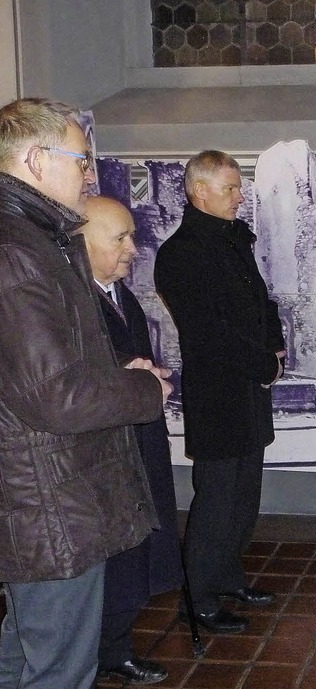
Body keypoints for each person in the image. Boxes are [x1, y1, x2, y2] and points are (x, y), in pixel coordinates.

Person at [0, 97, 172, 689]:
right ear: (36, 158)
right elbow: (57, 398)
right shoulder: (18, 252)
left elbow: (38, 367)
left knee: (23, 656)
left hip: (43, 492)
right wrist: (143, 387)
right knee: (58, 671)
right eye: (82, 159)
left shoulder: (33, 238)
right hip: (46, 500)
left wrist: (115, 368)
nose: (91, 173)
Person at [154, 150, 285, 634]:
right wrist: (262, 365)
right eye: (229, 188)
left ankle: (230, 576)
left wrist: (276, 349)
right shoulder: (181, 253)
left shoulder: (234, 242)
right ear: (198, 192)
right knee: (215, 497)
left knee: (245, 492)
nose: (239, 196)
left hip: (250, 387)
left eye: (239, 186)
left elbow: (260, 303)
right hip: (218, 393)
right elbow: (207, 331)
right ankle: (200, 596)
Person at [79, 196, 183, 686]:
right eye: (119, 238)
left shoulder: (121, 295)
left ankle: (117, 642)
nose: (133, 249)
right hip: (104, 452)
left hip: (139, 441)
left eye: (131, 236)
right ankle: (105, 650)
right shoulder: (72, 302)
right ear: (82, 241)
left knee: (138, 547)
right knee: (114, 556)